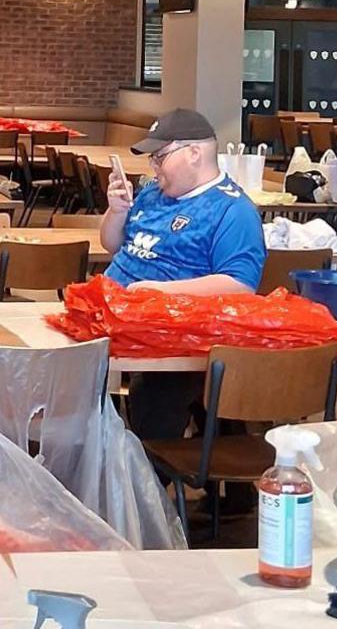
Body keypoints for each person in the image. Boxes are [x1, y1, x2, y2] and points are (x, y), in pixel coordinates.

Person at [100, 108, 267, 439]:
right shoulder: (151, 193)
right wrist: (116, 211)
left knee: (155, 399)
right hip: (114, 320)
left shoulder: (233, 211)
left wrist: (159, 292)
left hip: (173, 342)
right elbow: (111, 244)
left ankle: (149, 480)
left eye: (160, 157)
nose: (153, 167)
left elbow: (239, 285)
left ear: (194, 153)